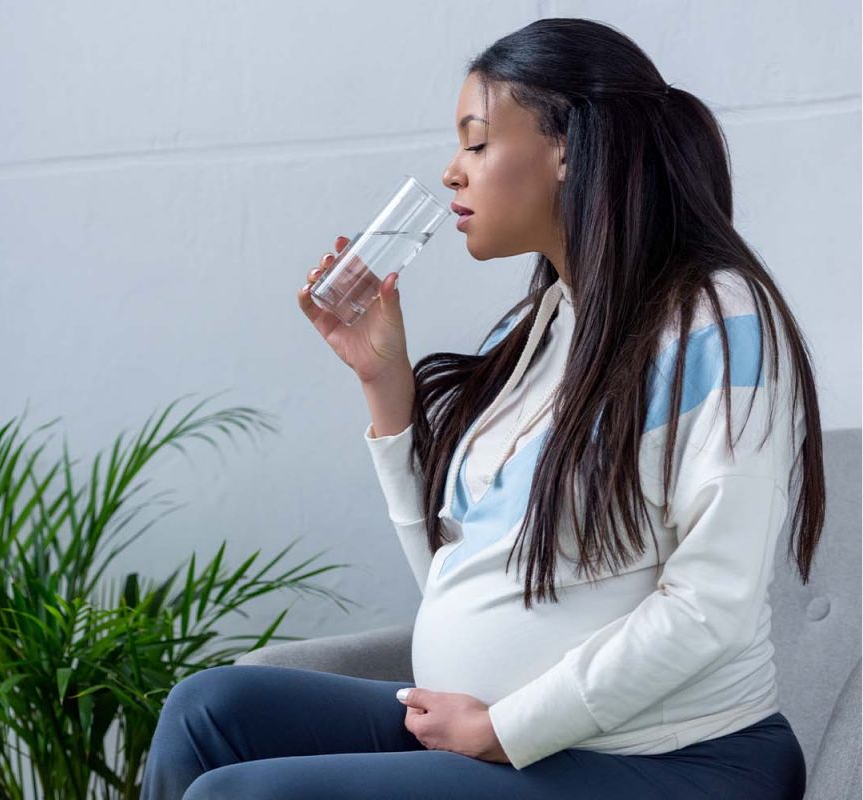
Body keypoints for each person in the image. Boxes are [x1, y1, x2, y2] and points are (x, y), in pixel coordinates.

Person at [140, 16, 822, 800]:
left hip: (667, 760)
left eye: (475, 142)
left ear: (566, 147)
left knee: (242, 798)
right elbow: (463, 577)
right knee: (207, 711)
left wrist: (506, 729)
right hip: (516, 738)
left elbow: (714, 607)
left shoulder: (717, 319)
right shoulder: (537, 330)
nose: (451, 174)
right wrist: (385, 387)